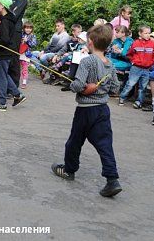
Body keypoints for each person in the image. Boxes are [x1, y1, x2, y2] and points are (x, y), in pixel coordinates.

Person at [51, 25, 122, 198]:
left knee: (74, 142)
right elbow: (116, 88)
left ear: (89, 42)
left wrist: (83, 88)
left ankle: (69, 170)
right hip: (103, 110)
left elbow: (76, 85)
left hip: (85, 110)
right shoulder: (110, 64)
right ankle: (112, 179)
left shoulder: (87, 61)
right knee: (105, 145)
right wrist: (100, 88)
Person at [0, 0, 27, 111]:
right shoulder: (8, 19)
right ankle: (17, 95)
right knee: (4, 75)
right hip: (5, 53)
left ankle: (2, 102)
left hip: (3, 53)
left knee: (0, 77)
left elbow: (5, 39)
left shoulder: (5, 21)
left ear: (3, 6)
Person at [118, 25, 154, 109]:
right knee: (130, 84)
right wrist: (133, 61)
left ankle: (139, 102)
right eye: (145, 33)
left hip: (146, 69)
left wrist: (151, 63)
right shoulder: (136, 43)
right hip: (136, 68)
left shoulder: (152, 44)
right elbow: (129, 54)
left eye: (149, 33)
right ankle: (122, 97)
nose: (148, 35)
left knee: (143, 87)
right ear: (140, 34)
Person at [7, 0, 28, 87]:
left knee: (14, 59)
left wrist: (6, 11)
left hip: (15, 31)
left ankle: (14, 87)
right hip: (6, 30)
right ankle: (5, 86)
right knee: (5, 58)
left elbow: (14, 15)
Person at [19, 22, 37, 89]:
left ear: (32, 29)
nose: (28, 29)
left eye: (30, 28)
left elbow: (34, 44)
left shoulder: (33, 36)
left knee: (25, 68)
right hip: (19, 53)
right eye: (26, 28)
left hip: (26, 54)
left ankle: (24, 82)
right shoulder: (21, 34)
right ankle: (15, 80)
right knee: (17, 67)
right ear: (24, 28)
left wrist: (27, 41)